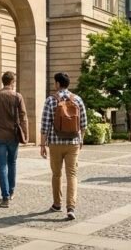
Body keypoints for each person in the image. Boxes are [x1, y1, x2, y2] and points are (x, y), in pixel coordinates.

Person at [39, 72, 87, 221]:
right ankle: (71, 207)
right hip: (73, 142)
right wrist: (81, 140)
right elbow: (84, 123)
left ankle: (57, 204)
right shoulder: (77, 99)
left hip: (55, 143)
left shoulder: (51, 100)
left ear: (58, 84)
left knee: (56, 174)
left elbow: (45, 125)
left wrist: (42, 144)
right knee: (72, 175)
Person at [0, 71, 29, 207]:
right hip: (13, 135)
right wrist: (26, 135)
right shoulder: (17, 96)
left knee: (2, 165)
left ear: (3, 81)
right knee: (12, 163)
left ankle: (5, 197)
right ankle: (11, 191)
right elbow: (23, 117)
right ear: (12, 82)